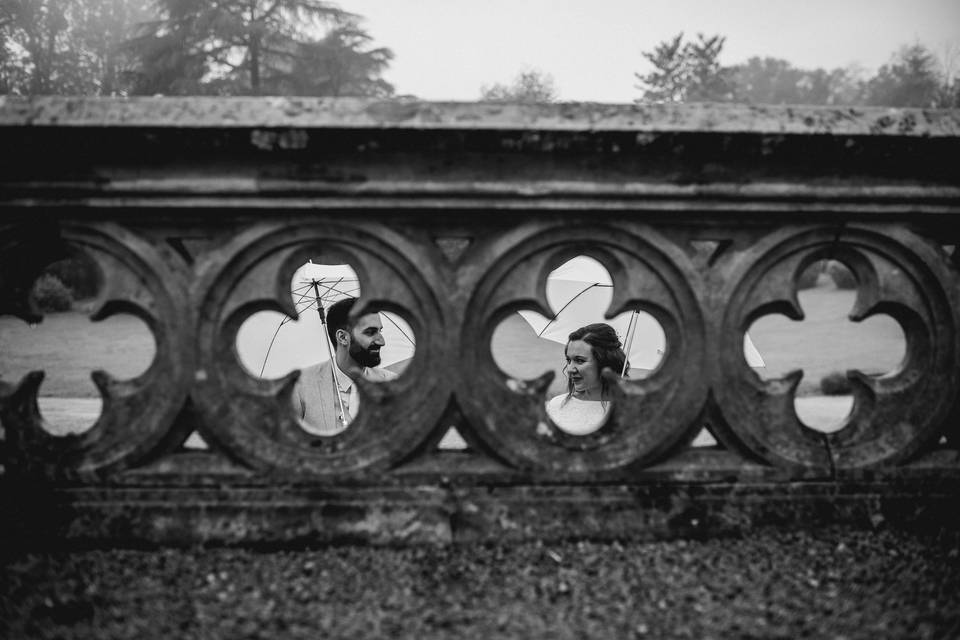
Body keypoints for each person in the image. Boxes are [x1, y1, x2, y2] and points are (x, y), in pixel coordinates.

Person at [292, 297, 398, 436]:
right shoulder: (300, 387)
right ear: (342, 337)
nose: (381, 341)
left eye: (380, 331)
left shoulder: (392, 384)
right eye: (370, 332)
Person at [545, 323, 628, 435]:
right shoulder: (556, 405)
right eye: (569, 360)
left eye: (580, 360)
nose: (570, 369)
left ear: (604, 362)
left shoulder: (627, 412)